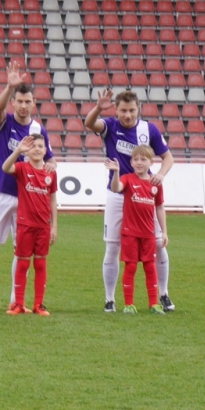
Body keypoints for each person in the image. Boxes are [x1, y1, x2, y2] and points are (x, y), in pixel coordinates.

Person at [84, 88, 174, 312]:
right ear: (116, 110)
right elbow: (89, 123)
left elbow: (168, 157)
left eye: (132, 110)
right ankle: (110, 299)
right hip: (118, 193)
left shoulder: (148, 129)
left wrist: (161, 174)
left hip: (144, 194)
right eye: (123, 110)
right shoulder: (110, 126)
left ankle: (163, 294)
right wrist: (98, 108)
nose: (127, 115)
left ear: (138, 109)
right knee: (113, 246)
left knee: (158, 243)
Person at [0, 64, 54, 313]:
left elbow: (50, 158)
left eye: (27, 101)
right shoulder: (5, 121)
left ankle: (15, 300)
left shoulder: (38, 130)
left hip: (26, 198)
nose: (23, 105)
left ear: (34, 103)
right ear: (13, 102)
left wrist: (51, 165)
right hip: (0, 191)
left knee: (21, 252)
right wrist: (9, 86)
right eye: (19, 101)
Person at [105, 148, 168, 315]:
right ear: (131, 162)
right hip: (130, 233)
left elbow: (160, 208)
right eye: (136, 159)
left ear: (151, 162)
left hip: (148, 234)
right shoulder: (127, 178)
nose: (139, 162)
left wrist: (164, 232)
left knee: (150, 267)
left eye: (143, 159)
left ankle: (154, 304)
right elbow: (116, 188)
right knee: (131, 267)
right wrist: (116, 172)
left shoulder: (155, 183)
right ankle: (129, 304)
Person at [1, 135, 58, 316]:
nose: (37, 149)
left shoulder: (51, 172)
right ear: (28, 150)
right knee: (23, 264)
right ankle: (18, 304)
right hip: (25, 225)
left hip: (43, 226)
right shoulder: (22, 168)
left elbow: (53, 199)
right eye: (33, 146)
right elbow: (5, 167)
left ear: (45, 150)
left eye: (41, 146)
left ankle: (38, 305)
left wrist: (54, 226)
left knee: (40, 264)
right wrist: (18, 150)